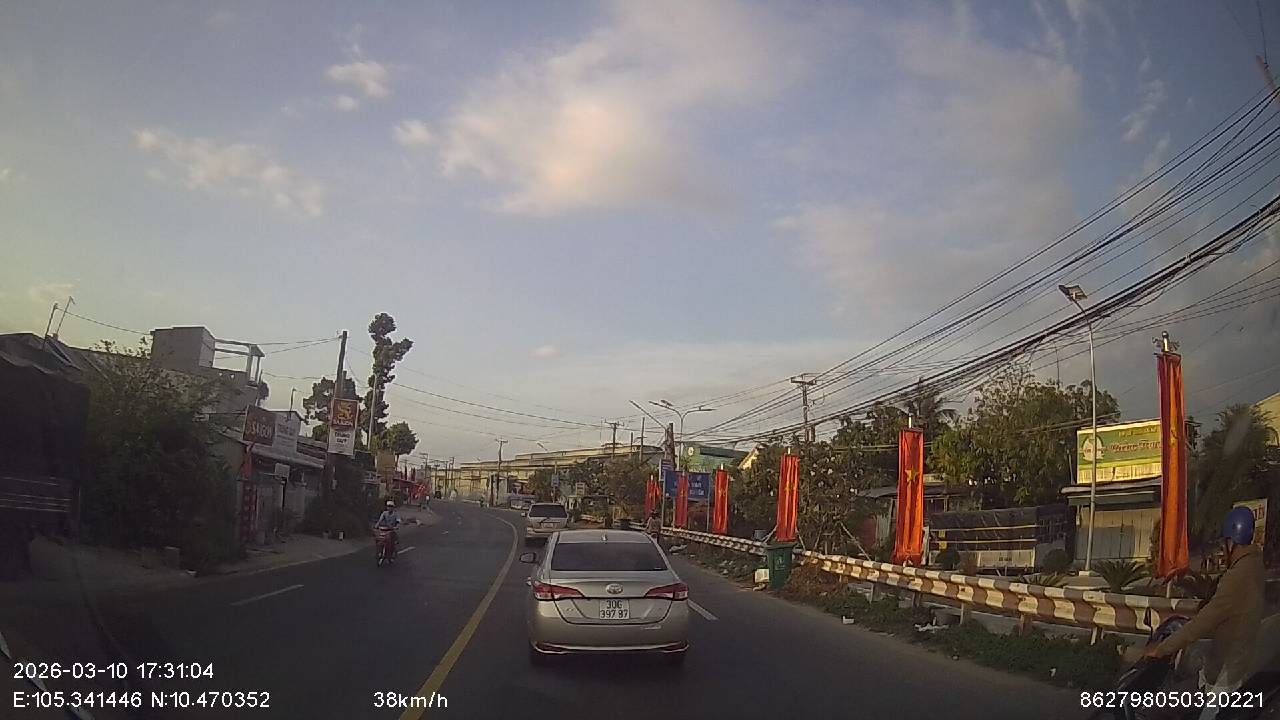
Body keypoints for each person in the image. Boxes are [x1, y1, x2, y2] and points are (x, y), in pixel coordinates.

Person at [1144, 507, 1264, 720]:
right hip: (1237, 665)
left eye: (1224, 544)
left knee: (1160, 709)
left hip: (1227, 676)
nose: (1222, 550)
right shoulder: (1255, 565)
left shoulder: (1237, 577)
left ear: (1232, 542)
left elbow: (1201, 624)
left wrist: (1162, 649)